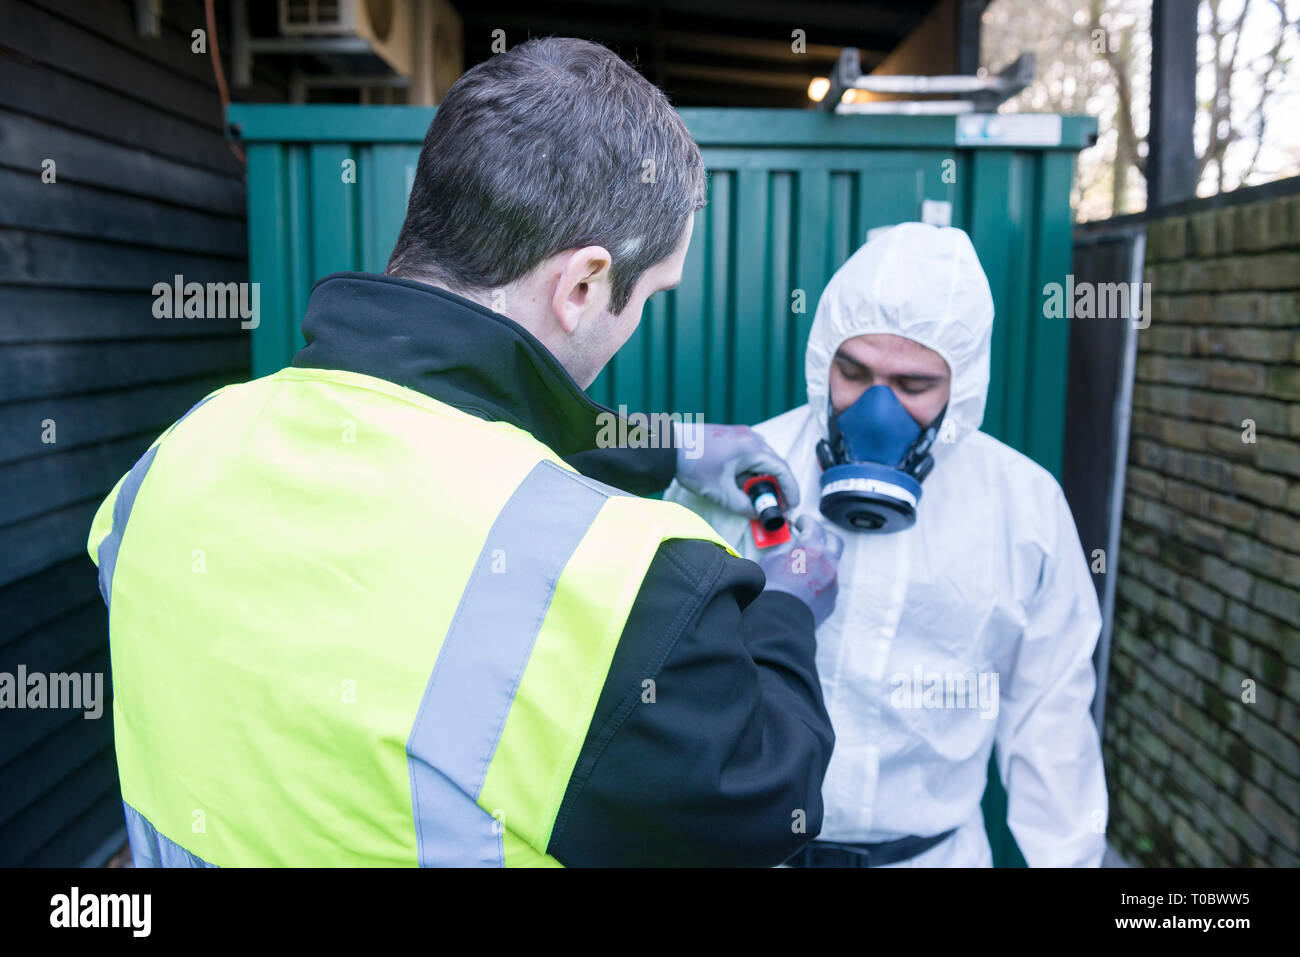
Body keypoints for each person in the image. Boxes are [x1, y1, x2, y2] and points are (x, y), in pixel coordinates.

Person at [86, 37, 843, 868]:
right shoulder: (638, 598)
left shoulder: (171, 460)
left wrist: (666, 450)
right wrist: (785, 612)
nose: (635, 326)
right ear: (585, 284)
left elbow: (429, 425)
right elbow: (767, 802)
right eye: (649, 296)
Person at [668, 223, 1108, 867]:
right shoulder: (744, 475)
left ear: (962, 386)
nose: (878, 411)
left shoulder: (1023, 507)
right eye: (854, 372)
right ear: (824, 360)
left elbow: (1051, 720)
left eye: (913, 386)